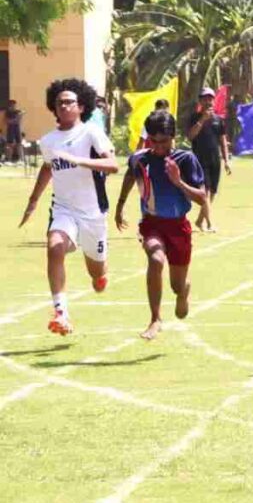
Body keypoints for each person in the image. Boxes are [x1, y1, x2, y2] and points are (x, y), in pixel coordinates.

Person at [18, 79, 119, 336]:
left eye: (69, 102)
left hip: (93, 213)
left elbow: (113, 165)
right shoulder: (49, 140)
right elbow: (48, 167)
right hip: (63, 209)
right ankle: (61, 313)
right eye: (59, 102)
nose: (63, 106)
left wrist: (79, 160)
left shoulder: (91, 133)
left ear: (81, 106)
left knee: (96, 273)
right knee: (54, 247)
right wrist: (33, 201)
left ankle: (99, 273)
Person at [115, 111, 206, 340]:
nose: (157, 147)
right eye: (153, 142)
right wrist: (120, 205)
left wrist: (178, 182)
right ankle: (155, 318)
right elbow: (129, 175)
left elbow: (202, 197)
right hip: (152, 223)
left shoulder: (186, 159)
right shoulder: (139, 158)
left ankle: (183, 291)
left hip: (178, 227)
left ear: (173, 137)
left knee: (177, 285)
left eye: (163, 142)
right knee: (155, 259)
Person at [187, 88, 231, 231]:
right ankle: (210, 223)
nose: (208, 101)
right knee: (204, 192)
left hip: (214, 159)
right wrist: (202, 120)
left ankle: (200, 221)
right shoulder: (194, 117)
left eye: (210, 98)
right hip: (199, 159)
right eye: (205, 98)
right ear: (200, 101)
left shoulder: (219, 120)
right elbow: (191, 136)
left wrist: (226, 160)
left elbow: (223, 140)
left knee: (212, 192)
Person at [4, 100, 24, 164]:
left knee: (19, 143)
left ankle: (21, 160)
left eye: (14, 104)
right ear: (10, 105)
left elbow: (19, 119)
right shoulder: (7, 112)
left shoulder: (18, 111)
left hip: (17, 129)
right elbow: (7, 121)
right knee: (10, 144)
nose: (13, 106)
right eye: (11, 104)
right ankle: (8, 160)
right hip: (10, 129)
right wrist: (16, 119)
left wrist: (15, 120)